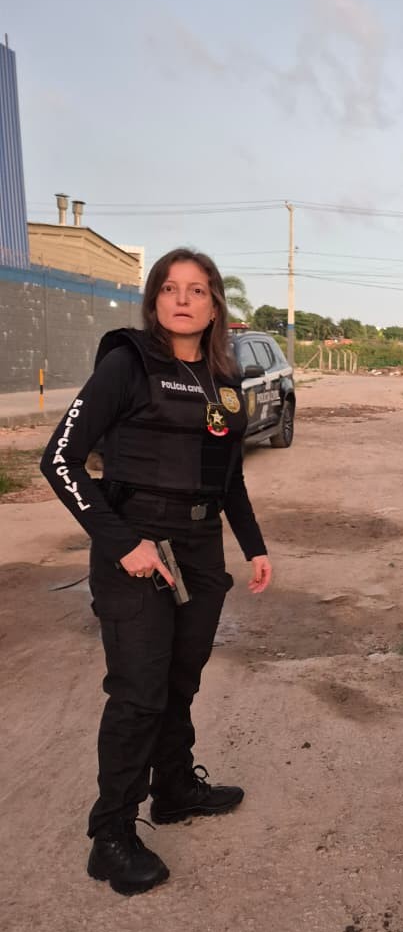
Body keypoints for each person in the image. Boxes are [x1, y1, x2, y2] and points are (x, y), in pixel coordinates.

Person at [41, 248, 272, 897]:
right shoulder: (127, 364)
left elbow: (229, 479)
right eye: (170, 288)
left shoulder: (224, 381)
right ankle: (110, 837)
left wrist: (254, 546)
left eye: (197, 290)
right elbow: (59, 460)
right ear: (153, 301)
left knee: (179, 681)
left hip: (200, 549)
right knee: (139, 693)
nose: (182, 299)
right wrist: (123, 544)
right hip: (135, 547)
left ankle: (173, 789)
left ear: (215, 305)